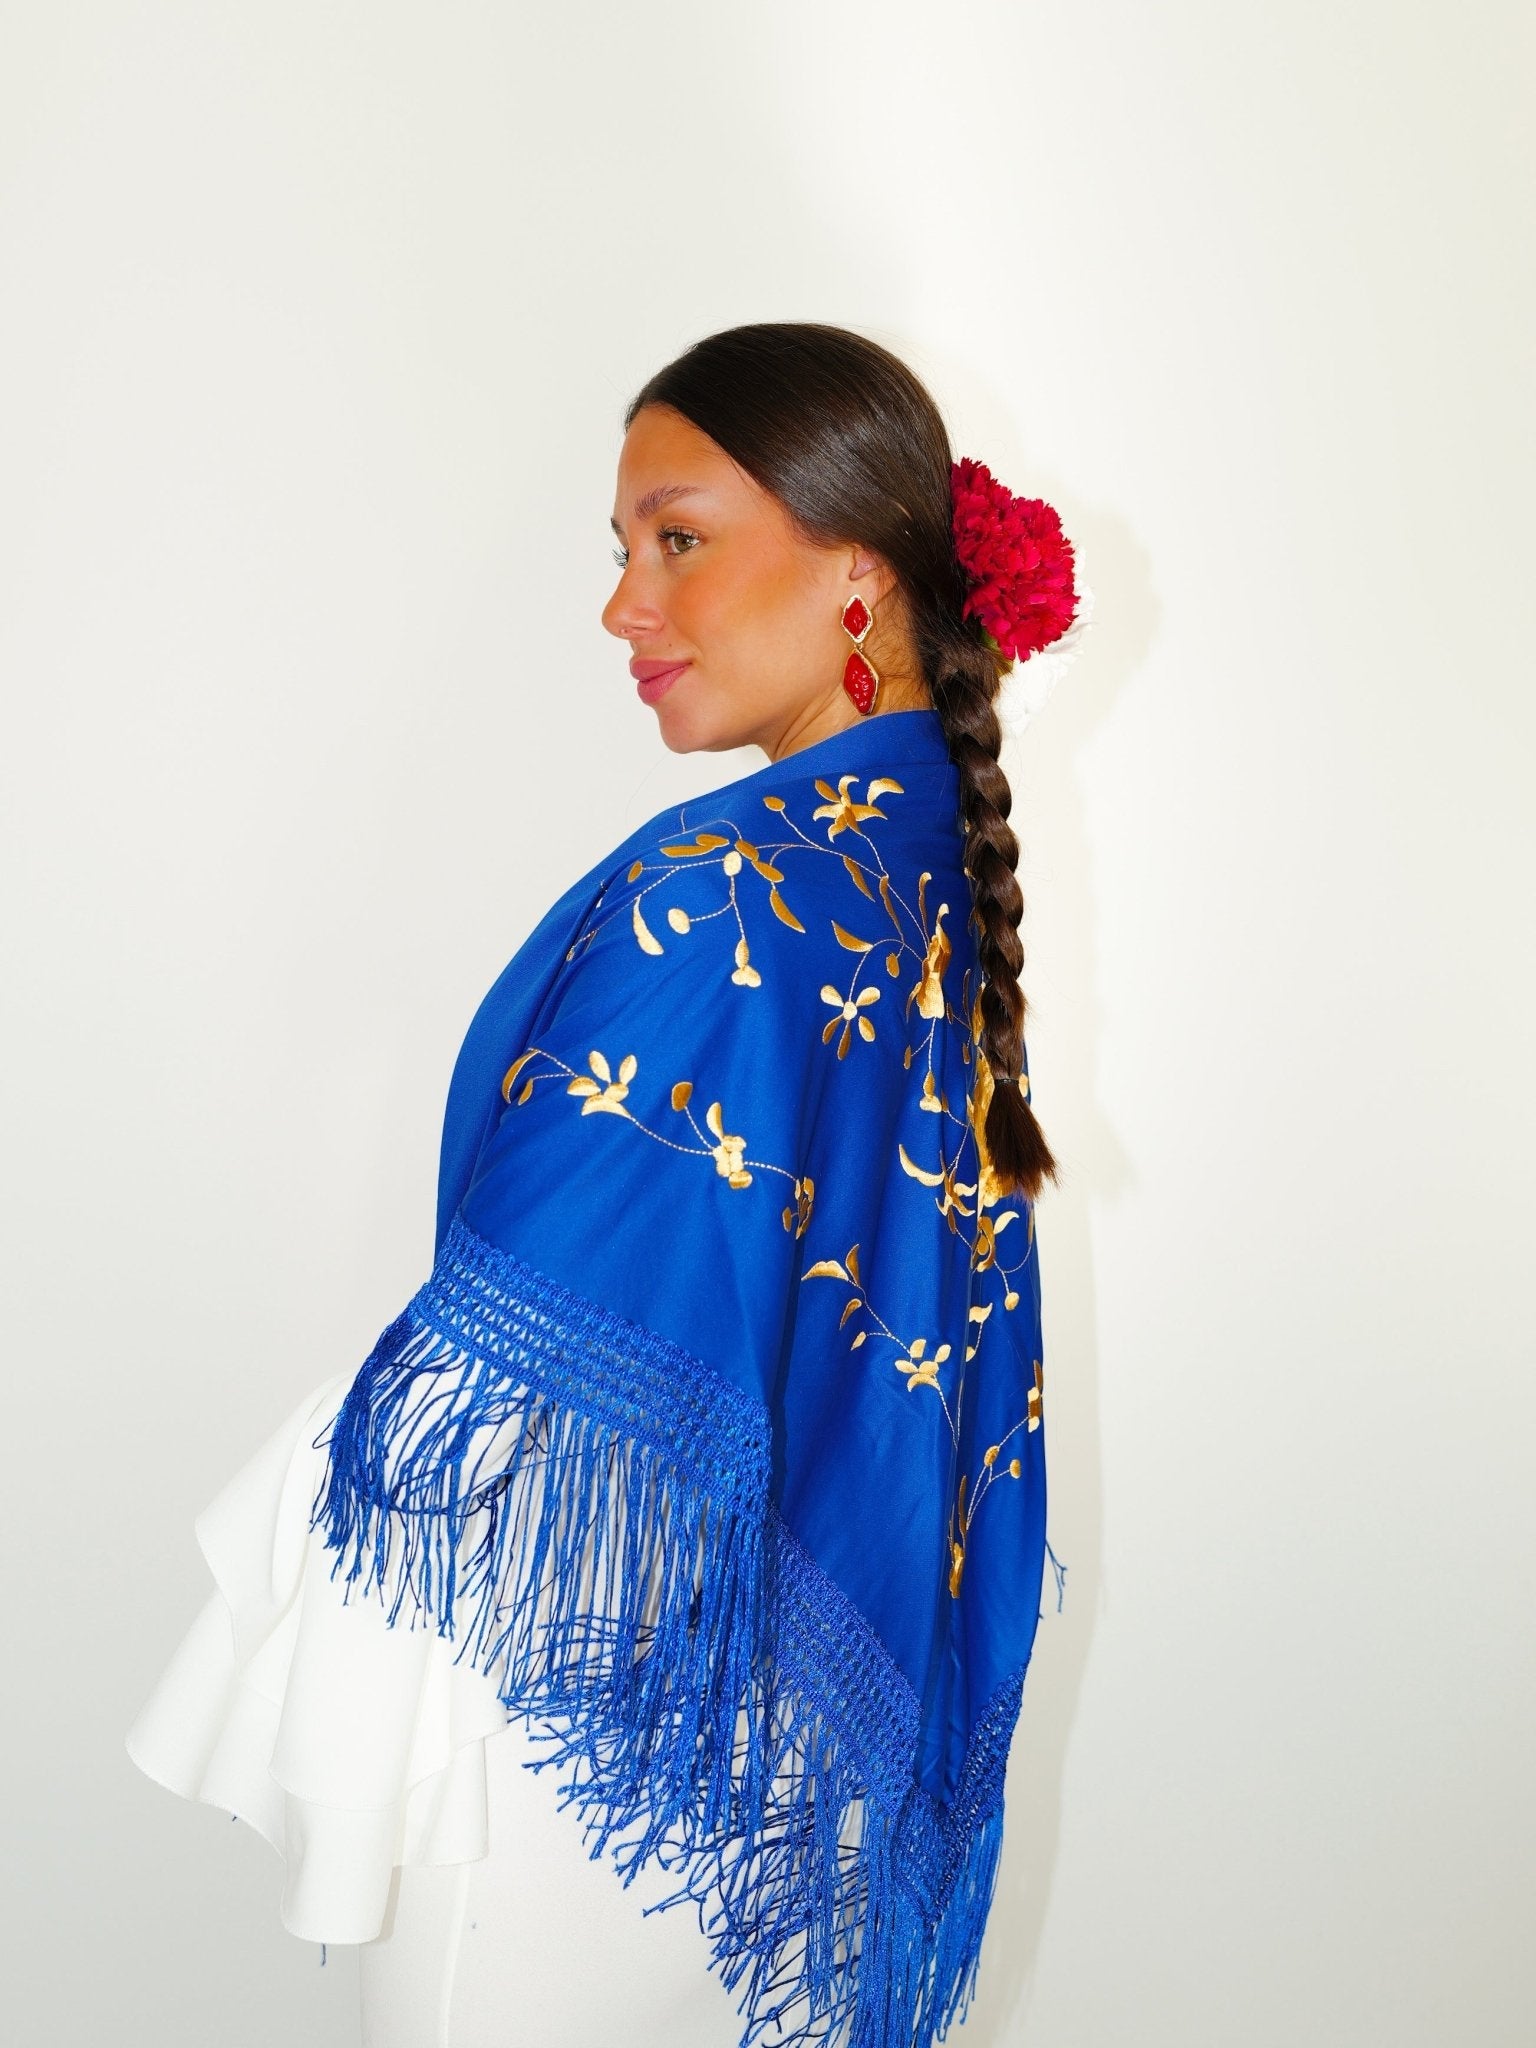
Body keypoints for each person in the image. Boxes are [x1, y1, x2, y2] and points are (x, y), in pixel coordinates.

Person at [125, 321, 1089, 2048]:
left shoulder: (742, 891)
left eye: (679, 539)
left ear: (858, 571)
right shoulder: (919, 865)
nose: (624, 605)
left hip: (579, 1740)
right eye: (625, 548)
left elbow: (517, 1369)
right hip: (781, 1749)